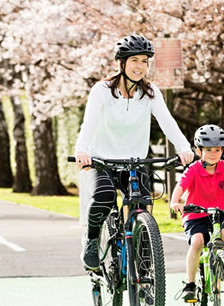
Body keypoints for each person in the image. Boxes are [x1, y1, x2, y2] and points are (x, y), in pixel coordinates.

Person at [74, 35, 194, 271]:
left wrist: (184, 147)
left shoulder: (150, 92)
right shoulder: (102, 91)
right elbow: (89, 123)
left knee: (144, 206)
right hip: (102, 162)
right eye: (134, 60)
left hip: (135, 163)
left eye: (144, 61)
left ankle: (146, 272)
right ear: (121, 63)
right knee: (105, 197)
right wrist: (82, 150)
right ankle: (91, 240)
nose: (140, 66)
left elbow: (167, 122)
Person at [170, 124, 224, 301]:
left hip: (219, 215)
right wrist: (174, 202)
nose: (213, 153)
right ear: (198, 150)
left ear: (222, 150)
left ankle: (220, 263)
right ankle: (190, 284)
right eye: (208, 149)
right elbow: (181, 186)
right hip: (196, 216)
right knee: (197, 242)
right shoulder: (193, 169)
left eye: (217, 150)